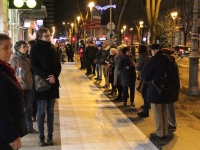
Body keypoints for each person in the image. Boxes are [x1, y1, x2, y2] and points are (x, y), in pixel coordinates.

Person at [30, 27, 61, 146]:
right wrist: (48, 77)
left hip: (53, 84)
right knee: (41, 111)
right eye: (46, 36)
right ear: (39, 37)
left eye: (49, 36)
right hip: (41, 84)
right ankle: (41, 136)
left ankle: (50, 136)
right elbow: (34, 67)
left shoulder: (53, 48)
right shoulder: (35, 49)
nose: (48, 38)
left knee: (51, 111)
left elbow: (58, 65)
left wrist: (55, 76)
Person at [141, 44, 177, 138]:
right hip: (166, 89)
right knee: (164, 111)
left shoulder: (153, 60)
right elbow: (173, 74)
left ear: (154, 51)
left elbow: (144, 74)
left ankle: (159, 133)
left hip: (155, 90)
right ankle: (165, 131)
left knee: (157, 112)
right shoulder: (168, 59)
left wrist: (150, 80)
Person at [0, 33, 27, 150]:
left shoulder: (5, 70)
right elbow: (1, 110)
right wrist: (12, 136)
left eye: (10, 47)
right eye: (6, 48)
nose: (10, 51)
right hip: (3, 138)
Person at [9, 40, 37, 134]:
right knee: (20, 108)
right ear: (17, 48)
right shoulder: (14, 59)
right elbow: (10, 73)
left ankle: (29, 127)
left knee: (29, 108)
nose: (26, 48)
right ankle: (19, 127)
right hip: (19, 87)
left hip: (28, 87)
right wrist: (16, 77)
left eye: (26, 47)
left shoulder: (27, 59)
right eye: (23, 47)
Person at [163, 48, 180, 130]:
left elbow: (170, 76)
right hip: (173, 87)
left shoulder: (170, 63)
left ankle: (172, 123)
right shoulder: (172, 61)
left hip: (171, 88)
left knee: (170, 105)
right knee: (169, 105)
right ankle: (171, 122)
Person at [135, 44, 151, 117]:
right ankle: (147, 106)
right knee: (146, 92)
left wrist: (135, 65)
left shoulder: (142, 57)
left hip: (144, 77)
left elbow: (138, 68)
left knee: (144, 93)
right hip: (149, 77)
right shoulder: (149, 56)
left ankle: (146, 110)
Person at [28, 40, 37, 122]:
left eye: (29, 46)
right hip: (30, 78)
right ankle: (33, 114)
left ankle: (33, 115)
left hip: (34, 78)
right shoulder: (27, 55)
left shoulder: (32, 55)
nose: (27, 48)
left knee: (34, 98)